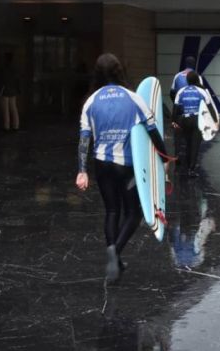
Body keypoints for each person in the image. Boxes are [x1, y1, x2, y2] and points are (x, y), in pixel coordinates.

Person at [75, 53, 170, 283]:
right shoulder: (133, 98)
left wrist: (82, 170)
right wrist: (164, 157)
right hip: (126, 167)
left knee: (111, 211)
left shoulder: (91, 101)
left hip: (101, 165)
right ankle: (115, 253)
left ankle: (114, 258)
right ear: (119, 71)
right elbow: (152, 129)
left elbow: (84, 139)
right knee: (134, 212)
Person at [172, 71, 218, 178]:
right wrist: (215, 121)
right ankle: (191, 169)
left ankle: (186, 165)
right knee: (195, 145)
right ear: (197, 79)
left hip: (185, 120)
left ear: (187, 80)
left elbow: (176, 108)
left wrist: (174, 121)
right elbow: (210, 107)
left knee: (188, 144)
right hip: (198, 120)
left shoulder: (181, 91)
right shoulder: (202, 91)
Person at [0, 53, 20, 131]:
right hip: (13, 90)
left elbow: (1, 80)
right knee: (14, 108)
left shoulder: (4, 68)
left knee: (5, 110)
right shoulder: (15, 68)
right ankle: (16, 125)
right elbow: (17, 80)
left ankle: (6, 126)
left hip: (5, 90)